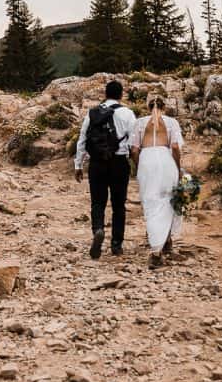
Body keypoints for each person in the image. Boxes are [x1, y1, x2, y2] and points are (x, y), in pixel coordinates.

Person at [74, 80, 136, 259]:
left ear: (105, 93)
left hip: (97, 163)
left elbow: (82, 140)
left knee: (97, 202)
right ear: (121, 95)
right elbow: (133, 142)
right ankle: (116, 244)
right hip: (119, 162)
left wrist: (78, 165)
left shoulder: (93, 113)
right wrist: (135, 163)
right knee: (119, 205)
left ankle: (98, 230)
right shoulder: (128, 114)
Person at [131, 95, 184, 269]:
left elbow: (134, 149)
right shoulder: (171, 122)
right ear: (165, 107)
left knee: (151, 203)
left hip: (146, 160)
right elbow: (175, 147)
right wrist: (178, 167)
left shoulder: (139, 123)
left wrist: (139, 165)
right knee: (168, 200)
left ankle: (157, 249)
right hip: (166, 160)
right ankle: (166, 240)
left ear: (148, 107)